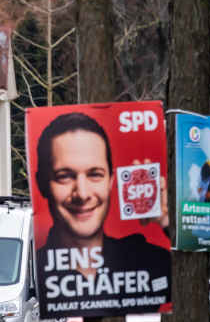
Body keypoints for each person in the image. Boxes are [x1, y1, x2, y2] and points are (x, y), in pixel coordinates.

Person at [34, 112, 171, 309]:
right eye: (65, 176)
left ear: (111, 181)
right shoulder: (31, 274)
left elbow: (190, 283)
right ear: (42, 184)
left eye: (95, 174)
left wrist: (166, 222)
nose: (82, 194)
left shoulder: (148, 260)